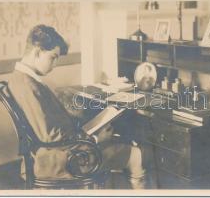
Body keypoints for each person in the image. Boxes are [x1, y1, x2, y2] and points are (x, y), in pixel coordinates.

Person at [8, 24, 147, 189]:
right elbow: (51, 135)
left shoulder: (19, 78)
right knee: (134, 153)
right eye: (53, 57)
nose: (54, 65)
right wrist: (95, 138)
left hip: (48, 154)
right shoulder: (29, 85)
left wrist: (87, 127)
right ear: (37, 52)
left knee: (105, 130)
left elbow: (48, 127)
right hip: (59, 160)